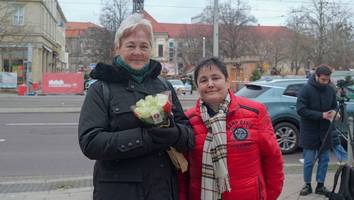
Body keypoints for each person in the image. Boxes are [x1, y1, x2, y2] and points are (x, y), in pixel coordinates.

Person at [78, 14, 195, 200]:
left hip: (162, 191)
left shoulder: (164, 86)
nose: (137, 52)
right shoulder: (101, 89)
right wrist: (146, 137)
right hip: (118, 192)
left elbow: (189, 135)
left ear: (150, 49)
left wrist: (174, 133)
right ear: (117, 48)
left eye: (144, 46)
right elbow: (90, 142)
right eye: (130, 45)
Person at [178, 57, 284, 200]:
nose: (210, 84)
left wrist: (269, 196)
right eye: (203, 80)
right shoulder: (187, 120)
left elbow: (273, 160)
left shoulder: (255, 112)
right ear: (197, 86)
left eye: (215, 78)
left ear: (227, 82)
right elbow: (182, 170)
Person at [296, 64, 337, 197]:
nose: (326, 82)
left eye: (327, 80)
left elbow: (334, 106)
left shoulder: (330, 90)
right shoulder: (306, 89)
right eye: (323, 80)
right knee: (309, 160)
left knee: (324, 160)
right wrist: (321, 115)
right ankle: (307, 185)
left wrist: (336, 113)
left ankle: (321, 185)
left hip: (325, 130)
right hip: (310, 131)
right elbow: (301, 110)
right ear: (316, 76)